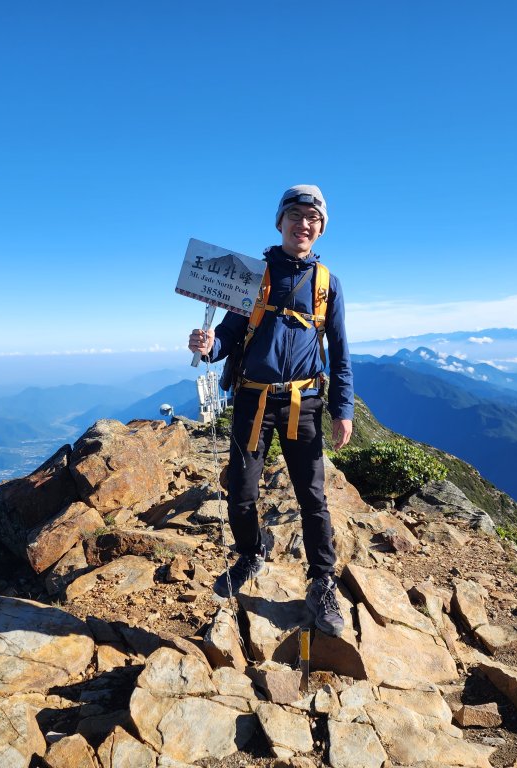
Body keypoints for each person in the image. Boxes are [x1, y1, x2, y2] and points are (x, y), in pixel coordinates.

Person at [187, 184, 354, 637]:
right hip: (252, 399)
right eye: (296, 215)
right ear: (280, 222)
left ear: (321, 229)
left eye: (313, 219)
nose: (304, 224)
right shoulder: (253, 275)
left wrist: (343, 409)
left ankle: (322, 581)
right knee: (241, 489)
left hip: (303, 402)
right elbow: (228, 336)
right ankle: (250, 553)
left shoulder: (327, 285)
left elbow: (339, 352)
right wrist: (208, 347)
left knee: (312, 497)